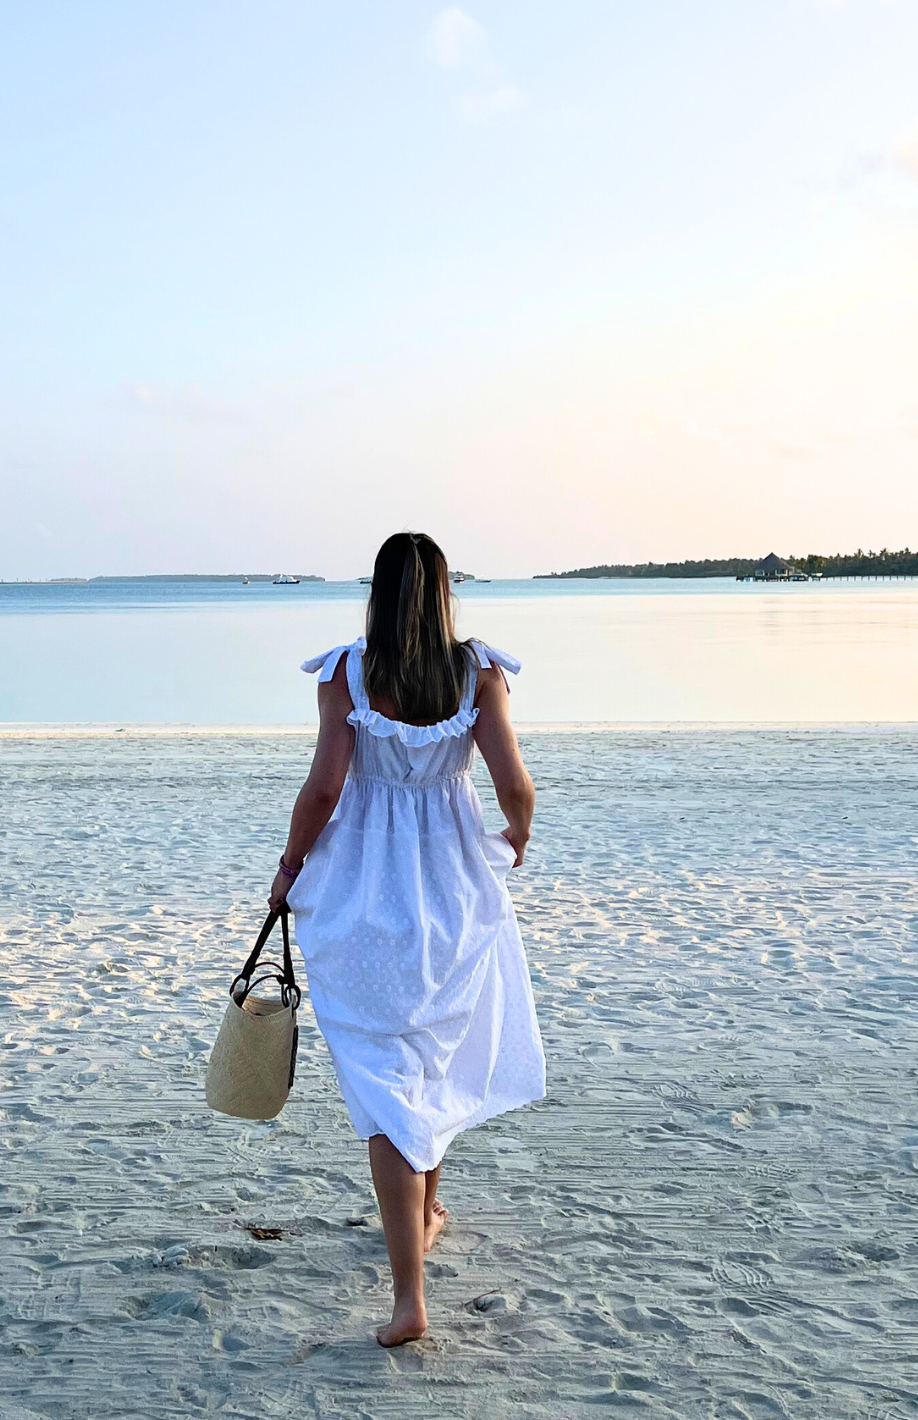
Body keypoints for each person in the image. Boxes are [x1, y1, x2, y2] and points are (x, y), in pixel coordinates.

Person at [272, 531, 544, 1347]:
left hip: (364, 887)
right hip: (452, 883)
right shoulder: (477, 673)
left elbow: (325, 787)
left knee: (386, 1085)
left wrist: (288, 867)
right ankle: (422, 1214)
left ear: (379, 593)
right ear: (442, 591)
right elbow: (514, 786)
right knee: (427, 1057)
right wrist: (514, 839)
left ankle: (409, 1300)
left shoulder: (350, 673)